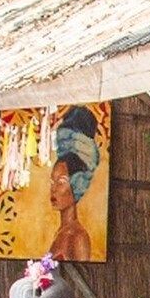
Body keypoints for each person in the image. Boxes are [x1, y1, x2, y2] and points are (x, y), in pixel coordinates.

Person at [47, 106, 102, 262]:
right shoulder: (61, 231)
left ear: (77, 184)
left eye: (61, 182)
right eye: (52, 182)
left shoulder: (78, 237)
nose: (53, 189)